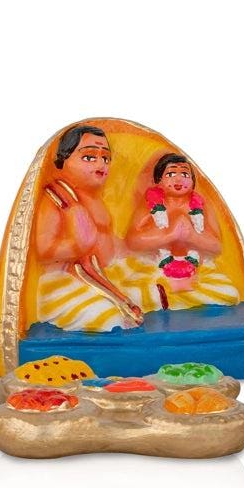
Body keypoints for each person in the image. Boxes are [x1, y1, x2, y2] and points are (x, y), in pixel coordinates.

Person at [32, 125, 143, 332]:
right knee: (110, 320)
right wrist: (76, 246)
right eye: (89, 157)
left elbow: (106, 238)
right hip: (64, 282)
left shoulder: (94, 198)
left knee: (147, 291)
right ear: (62, 161)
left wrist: (131, 249)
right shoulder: (56, 199)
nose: (101, 164)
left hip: (102, 273)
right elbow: (43, 249)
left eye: (106, 158)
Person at [120, 152, 240, 312]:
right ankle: (171, 295)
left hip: (197, 268)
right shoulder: (150, 204)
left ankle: (173, 297)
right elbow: (133, 241)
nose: (178, 179)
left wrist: (192, 236)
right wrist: (169, 235)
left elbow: (216, 246)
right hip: (155, 265)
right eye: (170, 174)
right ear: (158, 181)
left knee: (229, 293)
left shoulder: (201, 206)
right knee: (133, 294)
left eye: (184, 174)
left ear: (193, 182)